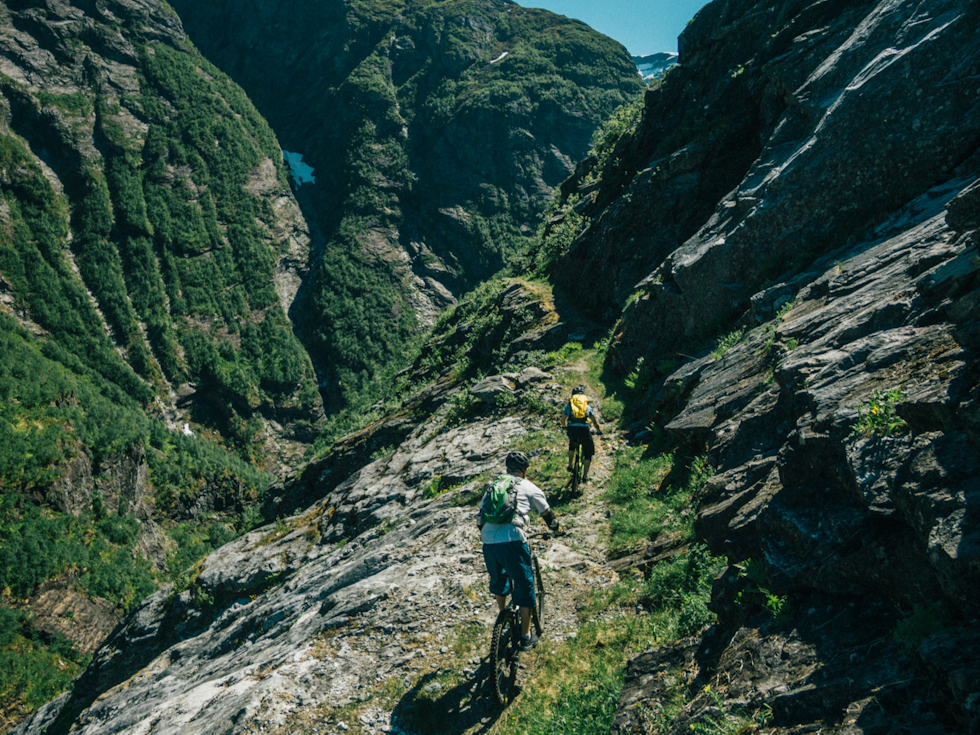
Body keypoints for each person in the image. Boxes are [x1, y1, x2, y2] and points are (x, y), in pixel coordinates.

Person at [477, 451, 560, 650]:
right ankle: (525, 636)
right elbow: (548, 515)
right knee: (524, 584)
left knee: (499, 579)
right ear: (525, 471)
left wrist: (490, 536)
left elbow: (480, 517)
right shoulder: (530, 487)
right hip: (514, 539)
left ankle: (503, 614)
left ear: (507, 470)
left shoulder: (493, 487)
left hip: (488, 540)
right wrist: (556, 528)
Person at [560, 385, 602, 483]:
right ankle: (585, 476)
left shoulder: (569, 406)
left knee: (572, 445)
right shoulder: (587, 406)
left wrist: (564, 426)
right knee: (588, 452)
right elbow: (594, 421)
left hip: (572, 430)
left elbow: (563, 419)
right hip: (584, 430)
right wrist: (598, 430)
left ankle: (570, 465)